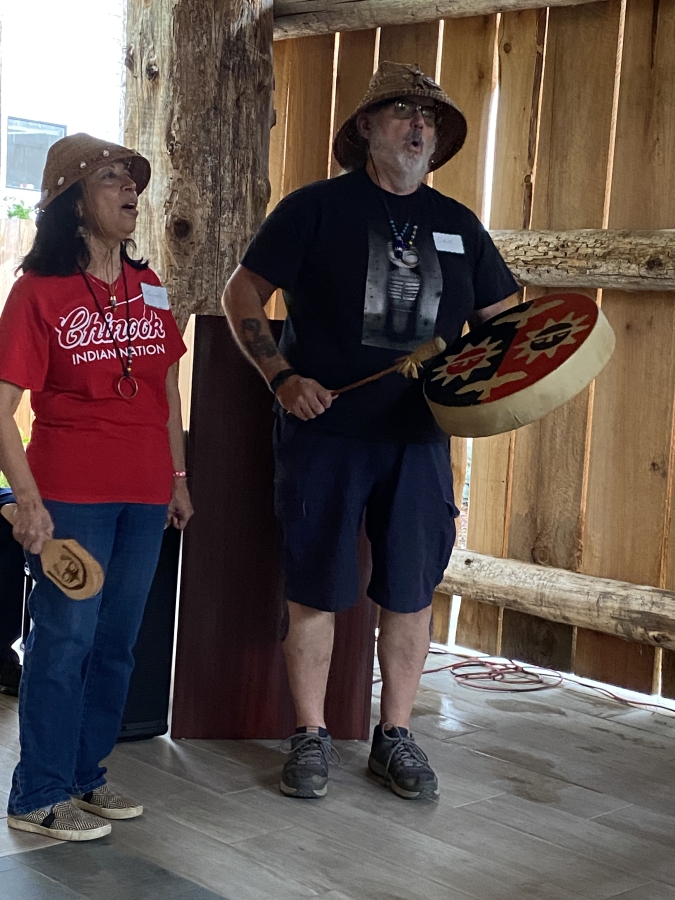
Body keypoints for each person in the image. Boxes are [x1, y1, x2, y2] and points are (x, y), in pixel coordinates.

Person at [223, 61, 518, 801]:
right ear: (364, 127)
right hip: (325, 432)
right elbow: (242, 292)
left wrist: (504, 376)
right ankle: (309, 735)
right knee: (316, 588)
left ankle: (395, 736)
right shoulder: (315, 209)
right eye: (400, 112)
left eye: (429, 119)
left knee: (411, 590)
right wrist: (282, 379)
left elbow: (504, 324)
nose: (417, 128)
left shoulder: (457, 225)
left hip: (419, 439)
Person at [0, 133, 193, 840]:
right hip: (70, 495)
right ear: (70, 200)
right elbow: (2, 409)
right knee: (65, 640)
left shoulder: (149, 286)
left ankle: (85, 777)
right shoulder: (37, 293)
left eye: (131, 177)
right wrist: (26, 500)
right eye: (110, 177)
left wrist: (177, 477)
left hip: (144, 495)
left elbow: (166, 390)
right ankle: (36, 794)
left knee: (116, 644)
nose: (129, 188)